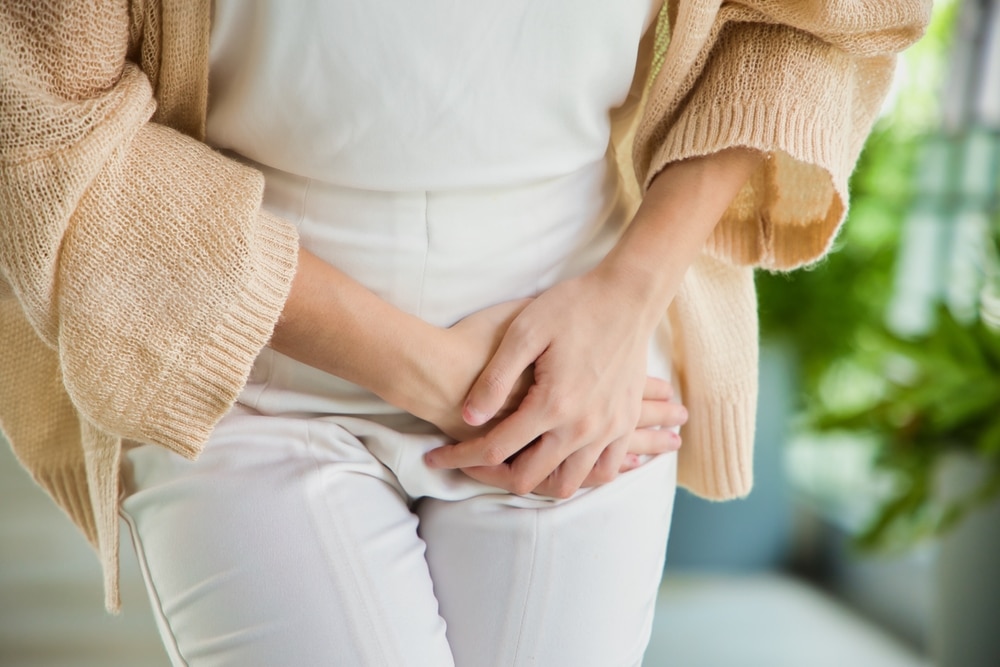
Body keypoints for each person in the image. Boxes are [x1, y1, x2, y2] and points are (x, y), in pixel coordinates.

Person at [0, 1, 929, 665]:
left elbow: (819, 20)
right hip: (236, 356)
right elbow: (40, 115)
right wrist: (444, 375)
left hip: (582, 363)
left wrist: (631, 293)